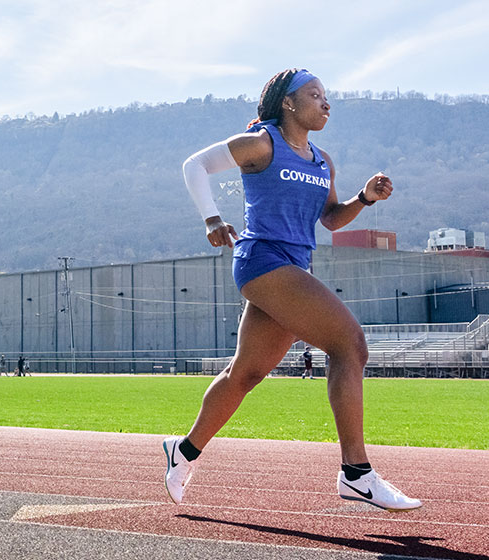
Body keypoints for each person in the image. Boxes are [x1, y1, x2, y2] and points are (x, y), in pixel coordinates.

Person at [164, 68, 421, 512]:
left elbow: (330, 219)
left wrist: (364, 198)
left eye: (327, 96)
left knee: (246, 374)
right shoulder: (263, 142)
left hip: (293, 265)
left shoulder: (322, 161)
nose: (326, 103)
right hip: (263, 261)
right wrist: (211, 218)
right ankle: (356, 474)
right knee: (349, 346)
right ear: (288, 102)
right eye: (315, 94)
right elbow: (196, 165)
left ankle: (182, 451)